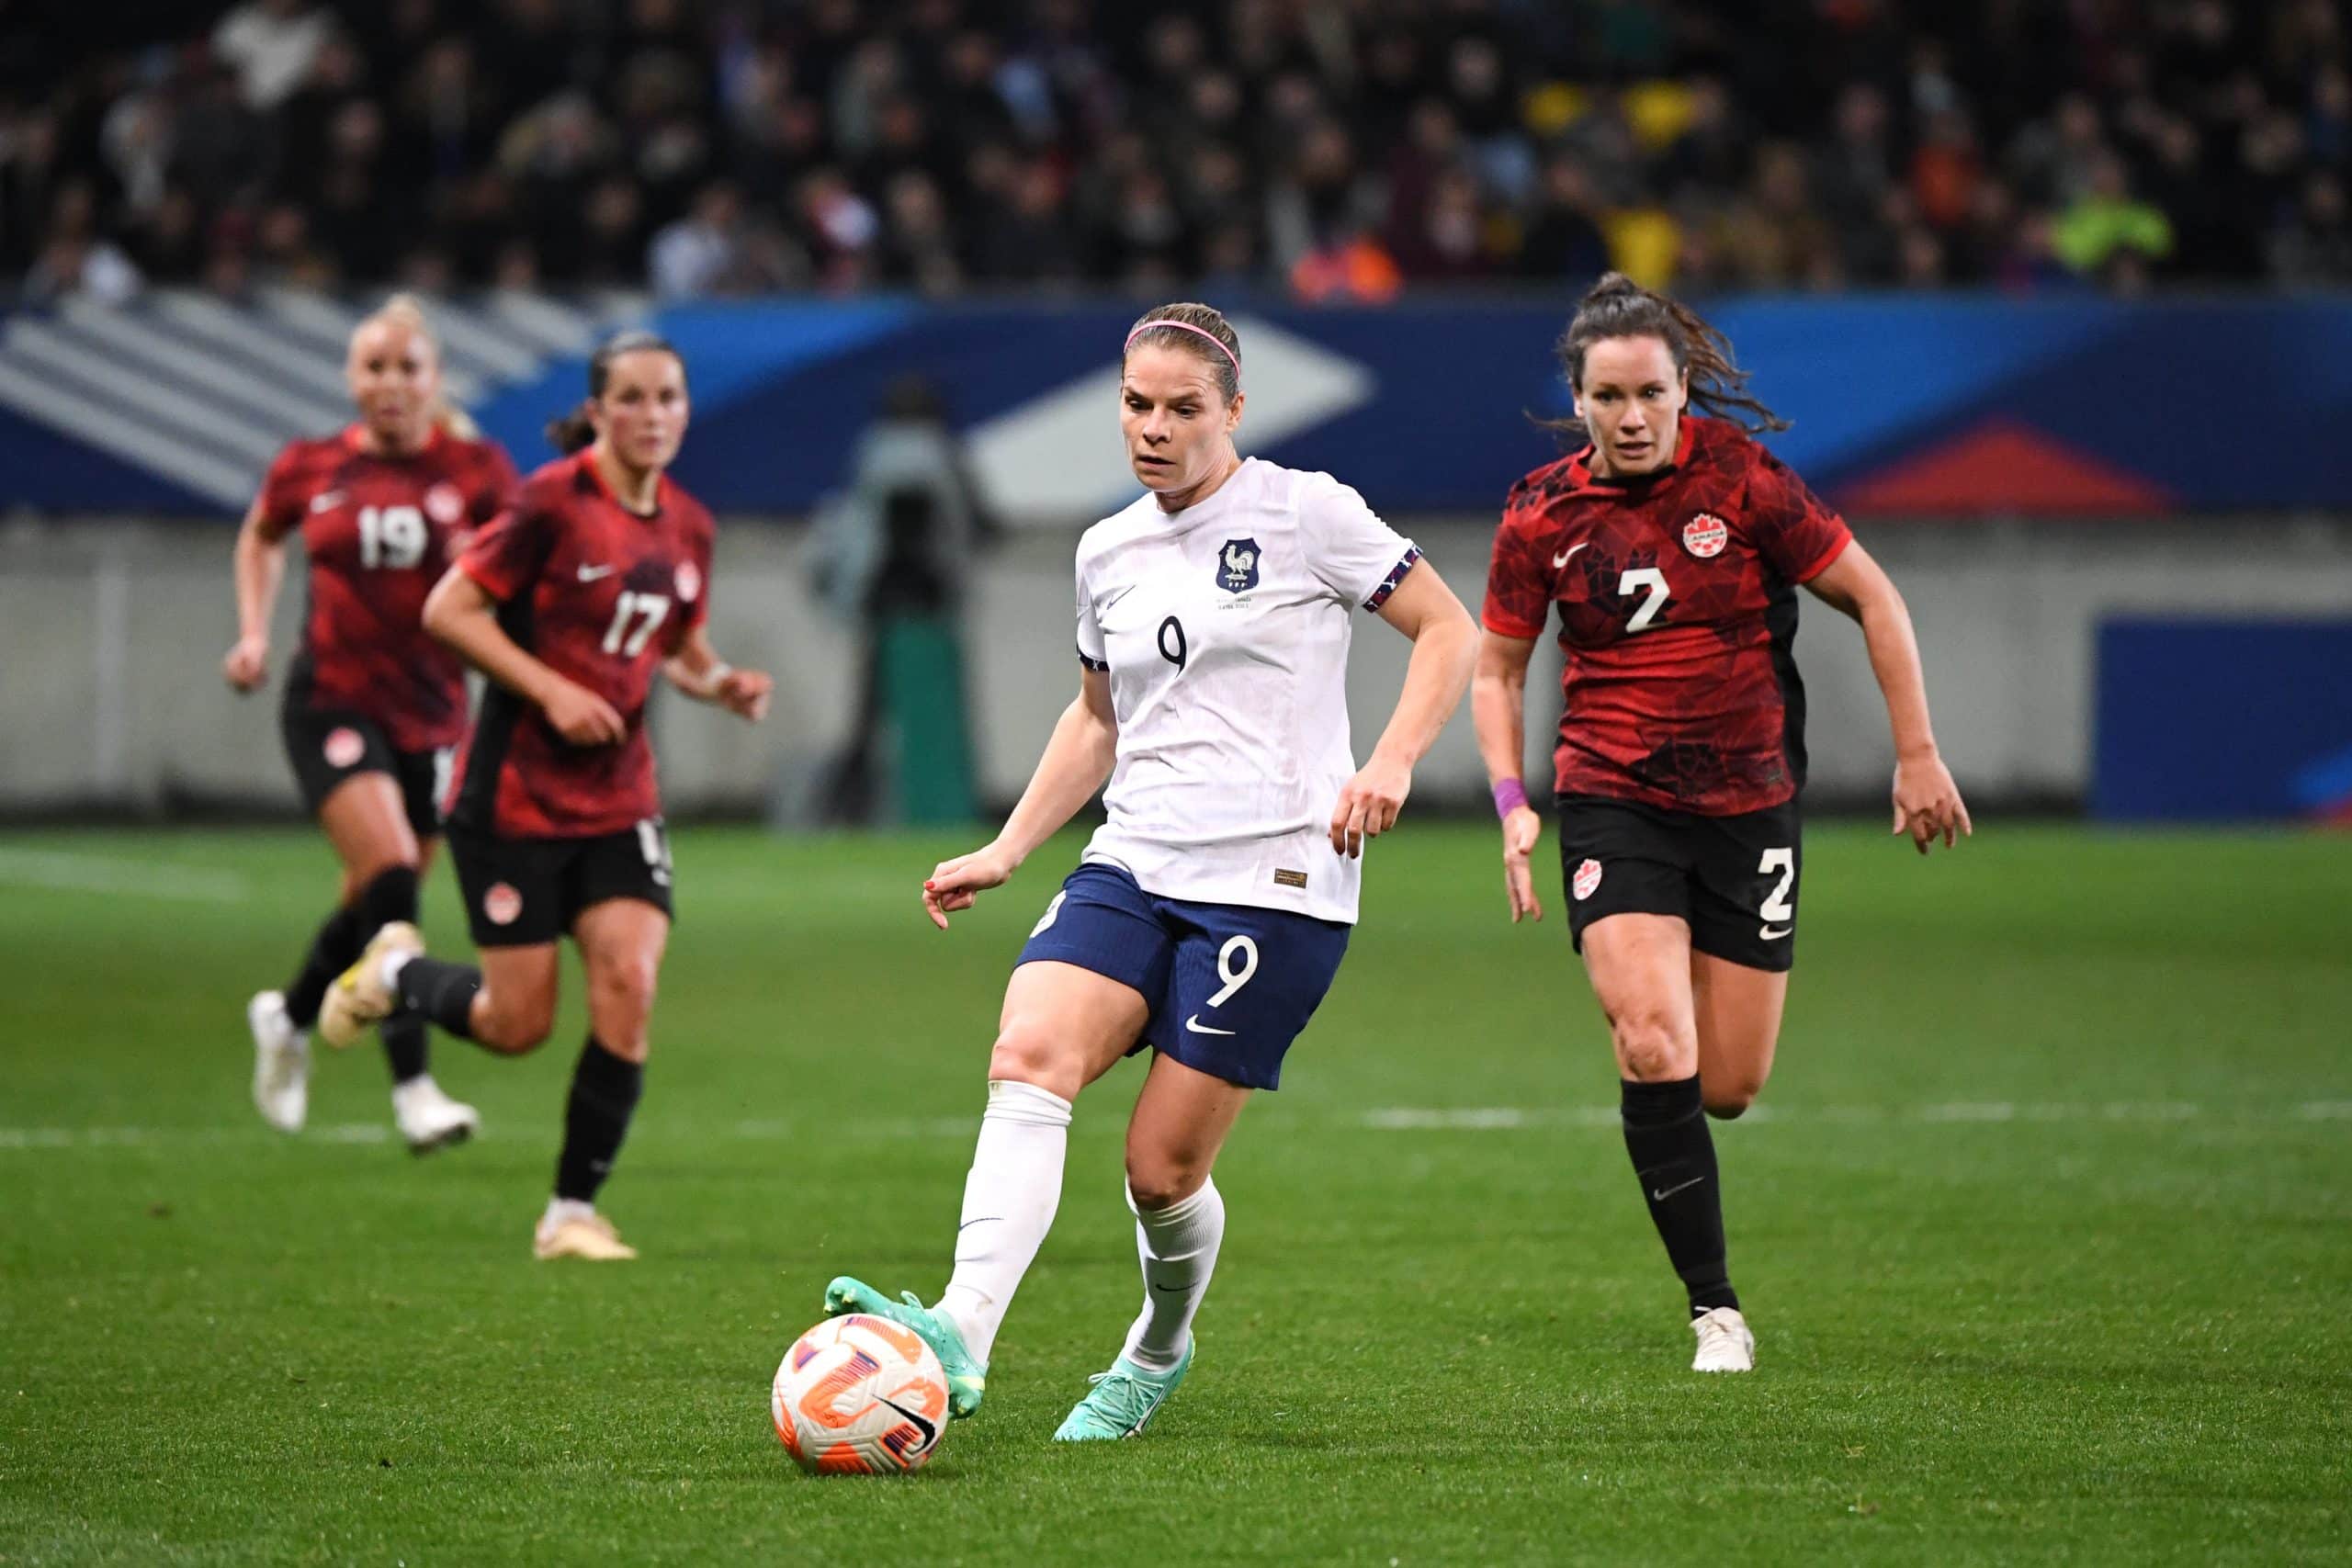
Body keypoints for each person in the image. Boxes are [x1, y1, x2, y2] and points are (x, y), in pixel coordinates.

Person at [820, 302, 1479, 1441]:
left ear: (1232, 411)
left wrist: (1392, 762)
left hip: (1275, 882)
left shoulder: (1305, 513)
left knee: (1159, 1172)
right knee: (1027, 1052)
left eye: (1183, 408)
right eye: (1137, 405)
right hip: (1132, 858)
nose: (1156, 428)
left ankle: (1156, 1347)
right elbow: (1096, 721)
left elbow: (1447, 629)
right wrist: (1008, 847)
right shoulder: (1106, 548)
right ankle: (961, 1331)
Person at [1471, 273, 1972, 1373]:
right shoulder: (1539, 515)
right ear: (1580, 398)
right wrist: (1513, 802)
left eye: (1652, 392)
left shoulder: (1744, 483)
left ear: (1684, 386)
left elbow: (1874, 598)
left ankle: (1685, 1165)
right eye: (1609, 397)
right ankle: (1715, 1310)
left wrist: (1918, 752)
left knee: (1728, 1085)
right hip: (1611, 800)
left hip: (1748, 808)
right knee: (1651, 1037)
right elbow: (1498, 670)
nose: (1634, 416)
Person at [315, 332, 774, 1261]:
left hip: (620, 801)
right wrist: (551, 688)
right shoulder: (550, 503)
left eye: (668, 398)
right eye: (632, 399)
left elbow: (673, 641)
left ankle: (570, 1212)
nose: (652, 416)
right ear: (598, 413)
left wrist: (716, 679)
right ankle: (394, 974)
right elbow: (449, 609)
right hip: (514, 803)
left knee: (629, 981)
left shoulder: (688, 525)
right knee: (516, 1026)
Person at [225, 294, 517, 1152]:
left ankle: (288, 1013)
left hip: (434, 715)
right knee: (391, 872)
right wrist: (251, 632)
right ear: (351, 378)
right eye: (374, 367)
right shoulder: (311, 464)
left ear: (434, 379)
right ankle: (416, 1091)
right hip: (333, 702)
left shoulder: (475, 470)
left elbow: (522, 562)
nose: (389, 382)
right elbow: (259, 536)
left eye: (407, 367)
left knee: (374, 897)